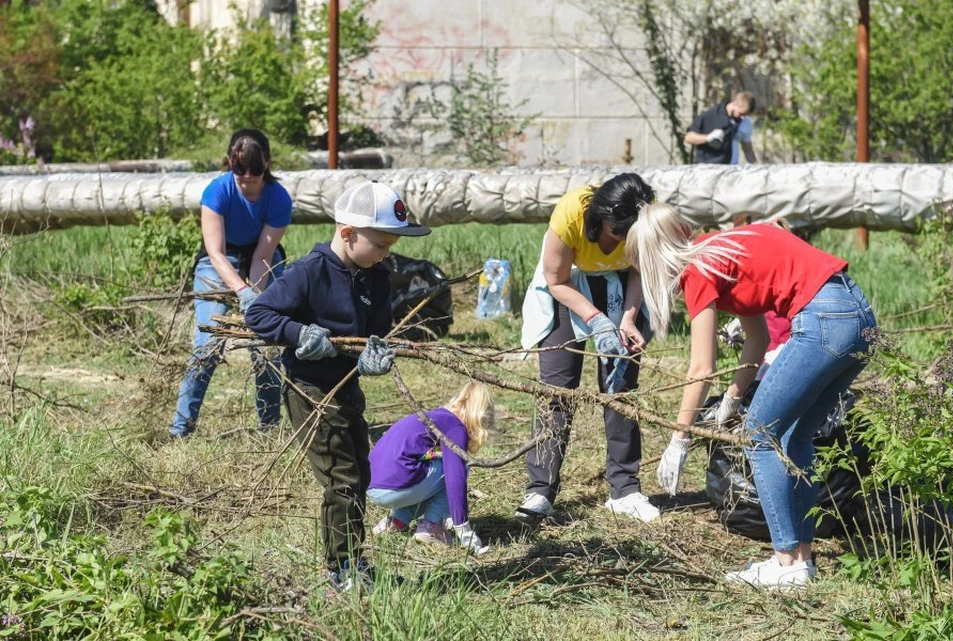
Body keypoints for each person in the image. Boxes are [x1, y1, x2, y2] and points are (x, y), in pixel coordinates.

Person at [626, 205, 876, 589]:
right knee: (795, 437)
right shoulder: (725, 250)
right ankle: (800, 560)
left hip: (824, 318)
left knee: (761, 436)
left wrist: (680, 437)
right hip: (856, 315)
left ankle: (784, 561)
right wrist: (732, 398)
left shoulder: (699, 270)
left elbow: (700, 368)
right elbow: (757, 339)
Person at [244, 181, 430, 592]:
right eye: (381, 244)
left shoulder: (377, 276)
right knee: (341, 478)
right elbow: (258, 314)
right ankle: (341, 570)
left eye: (390, 245)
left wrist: (376, 354)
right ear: (347, 233)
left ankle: (353, 561)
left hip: (347, 387)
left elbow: (377, 332)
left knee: (360, 474)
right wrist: (297, 333)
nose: (387, 253)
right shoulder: (308, 271)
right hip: (309, 388)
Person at [516, 173, 660, 524]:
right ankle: (540, 490)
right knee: (557, 388)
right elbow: (556, 280)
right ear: (600, 217)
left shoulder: (642, 220)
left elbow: (640, 271)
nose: (624, 240)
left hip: (623, 289)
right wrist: (596, 320)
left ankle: (625, 489)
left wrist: (627, 319)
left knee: (620, 389)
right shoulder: (571, 215)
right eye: (618, 232)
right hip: (570, 287)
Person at [171, 128, 292, 438]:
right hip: (217, 262)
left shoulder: (278, 198)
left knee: (266, 343)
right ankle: (180, 429)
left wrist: (257, 299)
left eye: (254, 173)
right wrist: (240, 291)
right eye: (240, 173)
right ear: (229, 163)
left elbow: (262, 255)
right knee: (207, 344)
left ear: (267, 163)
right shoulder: (217, 191)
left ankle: (269, 428)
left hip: (261, 260)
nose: (247, 180)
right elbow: (215, 251)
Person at [367, 381, 494, 555]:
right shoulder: (455, 426)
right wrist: (464, 530)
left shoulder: (434, 417)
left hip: (371, 486)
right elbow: (455, 479)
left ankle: (397, 521)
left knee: (429, 473)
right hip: (394, 488)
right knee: (458, 468)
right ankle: (432, 527)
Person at [684, 92, 755, 164]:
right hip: (707, 169)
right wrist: (708, 138)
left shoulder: (745, 122)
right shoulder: (710, 115)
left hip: (732, 170)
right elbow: (689, 137)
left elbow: (748, 149)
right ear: (734, 104)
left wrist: (755, 167)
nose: (743, 117)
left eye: (746, 114)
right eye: (741, 114)